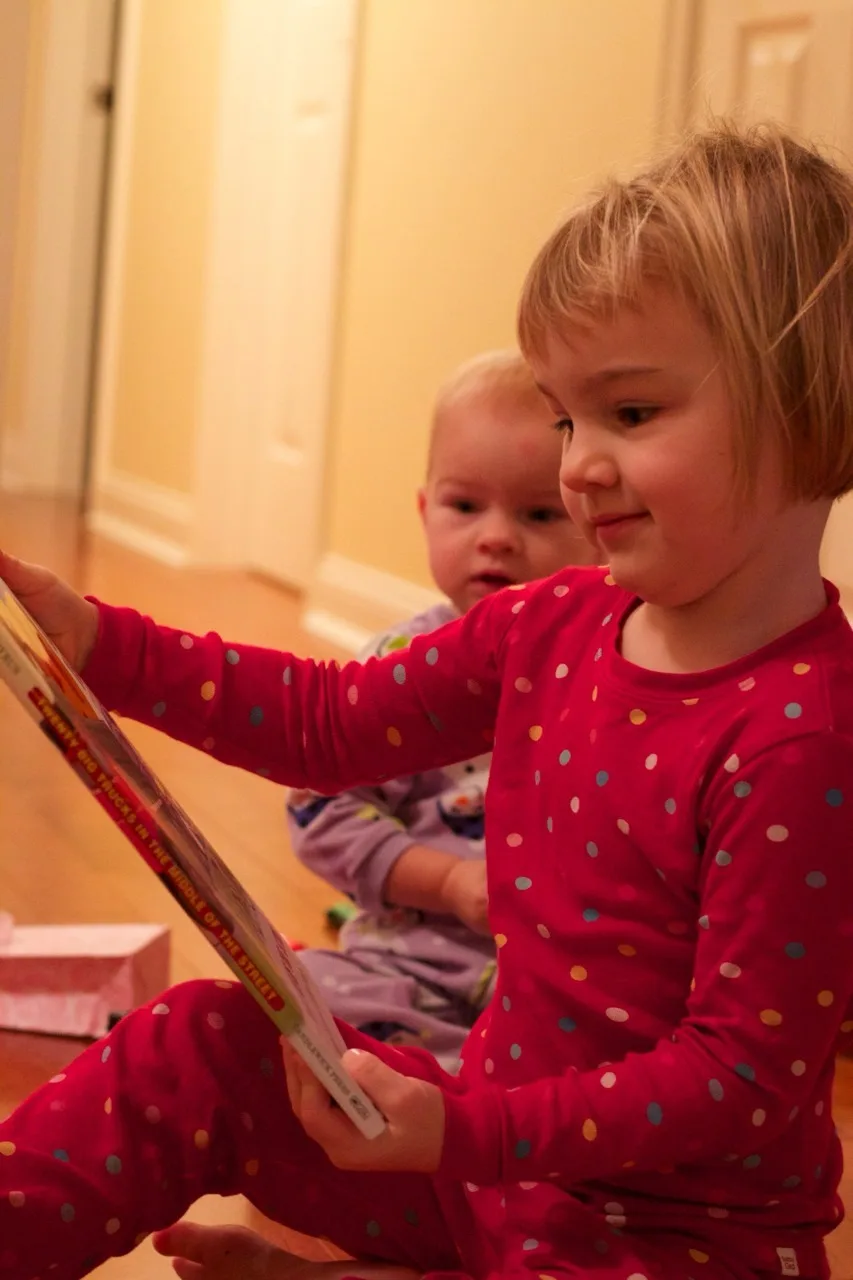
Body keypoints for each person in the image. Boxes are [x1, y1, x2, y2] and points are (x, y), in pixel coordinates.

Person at [2, 122, 853, 1280]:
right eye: (566, 417)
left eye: (632, 414)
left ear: (808, 413)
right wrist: (108, 644)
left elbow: (737, 1079)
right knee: (196, 1044)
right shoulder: (551, 625)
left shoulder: (804, 736)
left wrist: (469, 1134)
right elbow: (328, 720)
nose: (578, 465)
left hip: (663, 1244)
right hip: (486, 1174)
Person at [289, 349, 597, 1072]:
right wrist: (447, 882)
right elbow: (321, 811)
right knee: (303, 1004)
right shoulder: (399, 668)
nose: (495, 536)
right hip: (406, 972)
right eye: (465, 506)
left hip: (558, 997)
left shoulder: (611, 675)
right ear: (426, 511)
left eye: (538, 513)